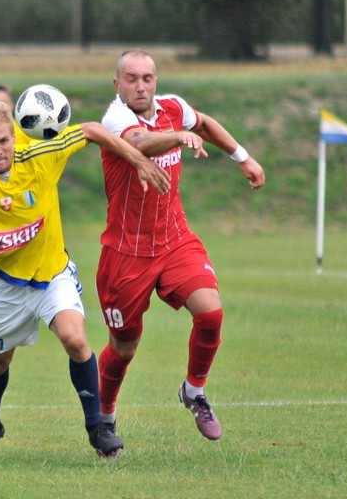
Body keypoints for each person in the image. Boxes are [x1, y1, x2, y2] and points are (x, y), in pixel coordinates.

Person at [0, 98, 170, 459]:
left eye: (2, 141)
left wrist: (136, 158)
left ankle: (98, 429)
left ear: (14, 136)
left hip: (53, 274)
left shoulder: (41, 156)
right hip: (6, 285)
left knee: (75, 340)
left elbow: (90, 130)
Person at [96, 49, 266, 441]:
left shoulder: (173, 106)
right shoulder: (115, 118)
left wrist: (243, 157)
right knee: (123, 349)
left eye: (148, 78)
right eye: (132, 78)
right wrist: (177, 136)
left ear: (156, 80)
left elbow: (203, 123)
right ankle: (105, 418)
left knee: (211, 314)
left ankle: (194, 391)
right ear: (117, 83)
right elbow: (141, 142)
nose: (141, 86)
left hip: (174, 239)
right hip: (127, 252)